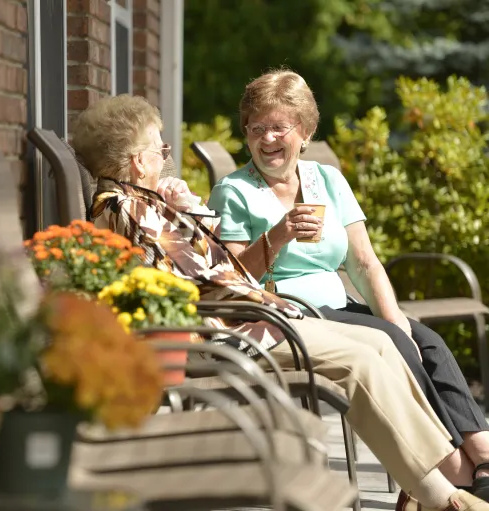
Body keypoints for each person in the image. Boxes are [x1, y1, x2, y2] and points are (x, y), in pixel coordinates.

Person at [70, 93, 489, 511]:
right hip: (233, 328)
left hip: (251, 317)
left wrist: (181, 207)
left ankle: (445, 483)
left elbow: (197, 266)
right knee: (362, 361)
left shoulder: (139, 203)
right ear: (139, 162)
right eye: (160, 149)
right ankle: (448, 496)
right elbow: (204, 277)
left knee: (381, 344)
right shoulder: (130, 209)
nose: (166, 157)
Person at [206, 69, 489, 502]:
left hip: (340, 305)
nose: (267, 139)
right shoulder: (234, 192)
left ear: (304, 130)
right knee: (392, 341)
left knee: (425, 341)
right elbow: (232, 279)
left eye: (278, 127)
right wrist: (278, 235)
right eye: (256, 128)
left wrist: (395, 319)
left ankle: (479, 459)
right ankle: (457, 474)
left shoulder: (327, 180)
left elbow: (363, 261)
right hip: (293, 315)